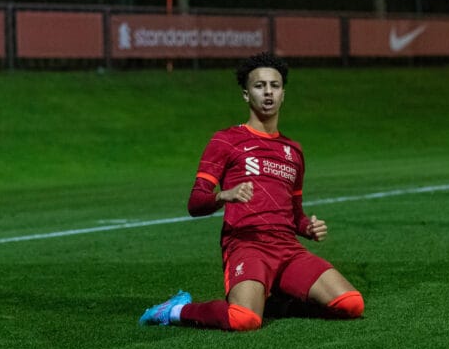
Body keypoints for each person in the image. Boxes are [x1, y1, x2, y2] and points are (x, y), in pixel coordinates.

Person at [139, 52, 364, 330]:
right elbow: (195, 203)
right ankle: (175, 310)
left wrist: (307, 227)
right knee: (244, 319)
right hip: (246, 245)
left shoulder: (293, 151)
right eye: (259, 86)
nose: (268, 92)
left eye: (275, 85)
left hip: (287, 249)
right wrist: (224, 195)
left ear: (283, 94)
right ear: (246, 94)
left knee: (351, 303)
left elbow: (295, 214)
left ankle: (274, 303)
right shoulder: (226, 140)